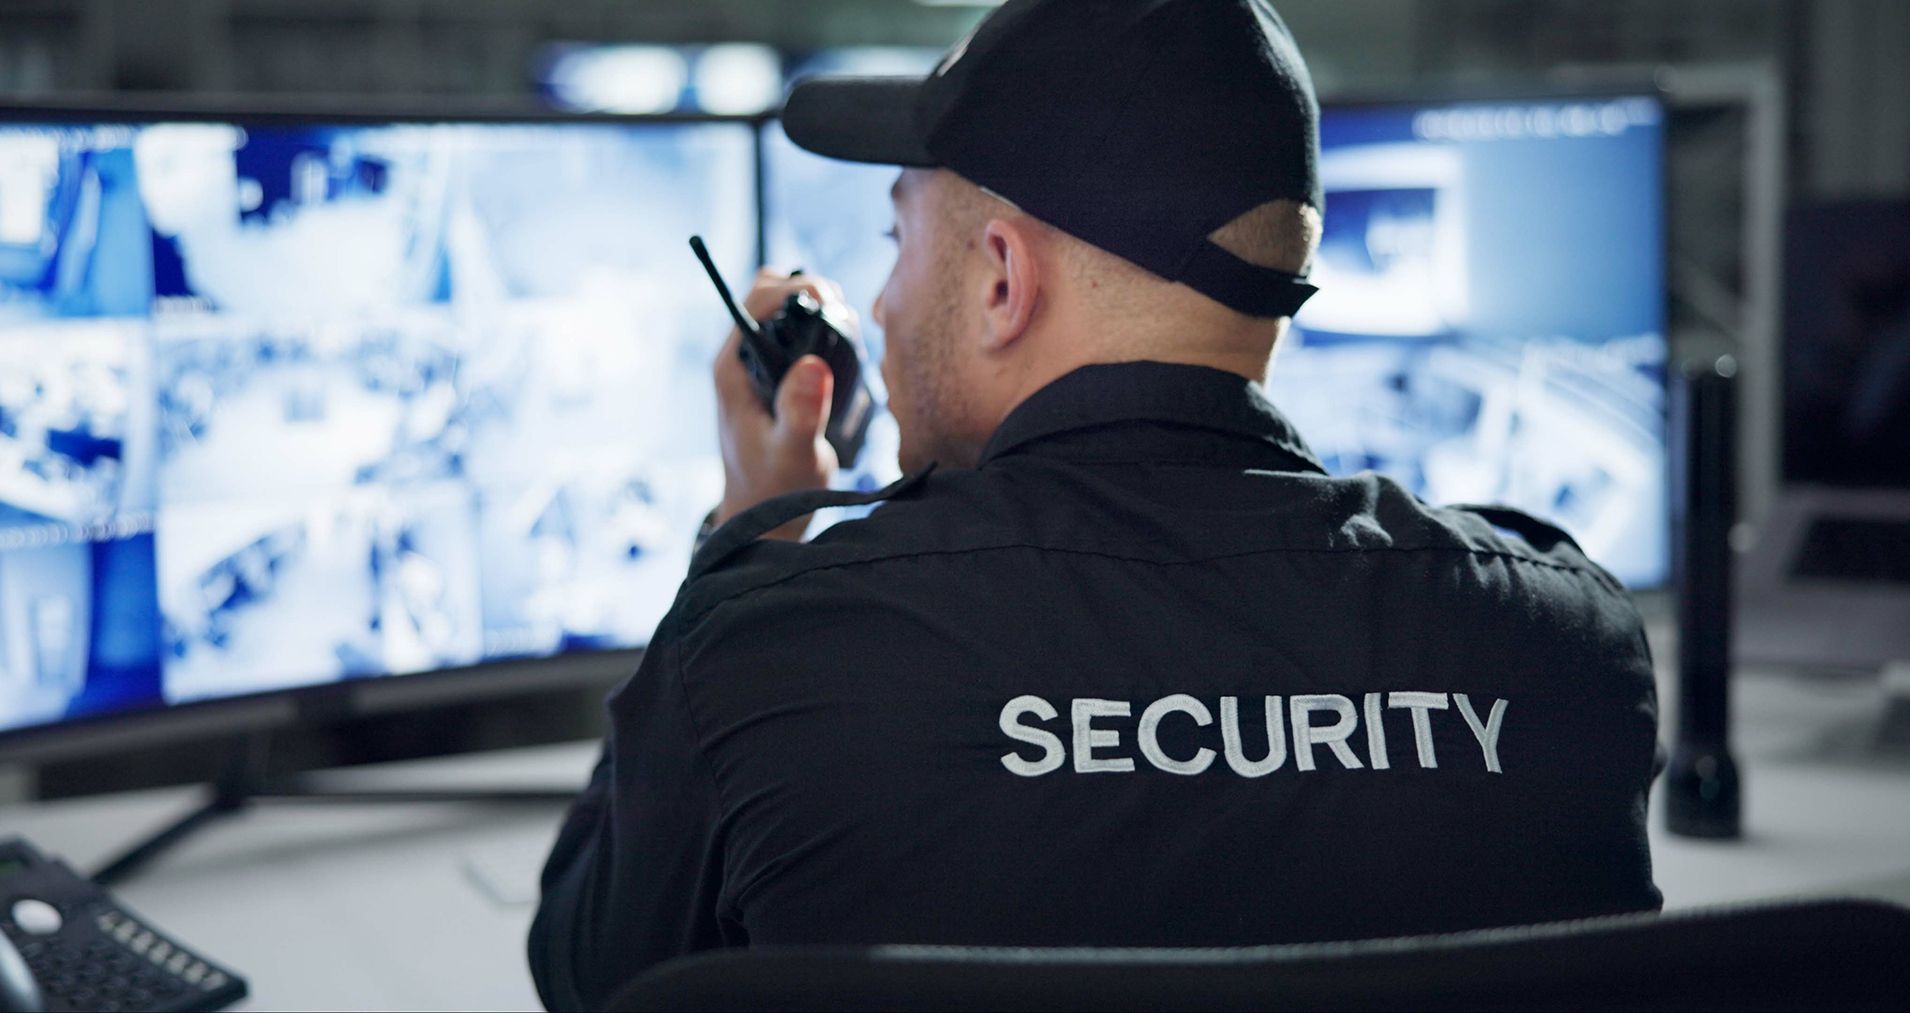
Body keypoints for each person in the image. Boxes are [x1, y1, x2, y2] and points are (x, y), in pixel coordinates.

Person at [527, 1, 1663, 1009]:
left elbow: (593, 977)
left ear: (1003, 281)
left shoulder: (775, 649)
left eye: (897, 241)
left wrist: (748, 530)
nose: (880, 302)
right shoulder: (1566, 644)